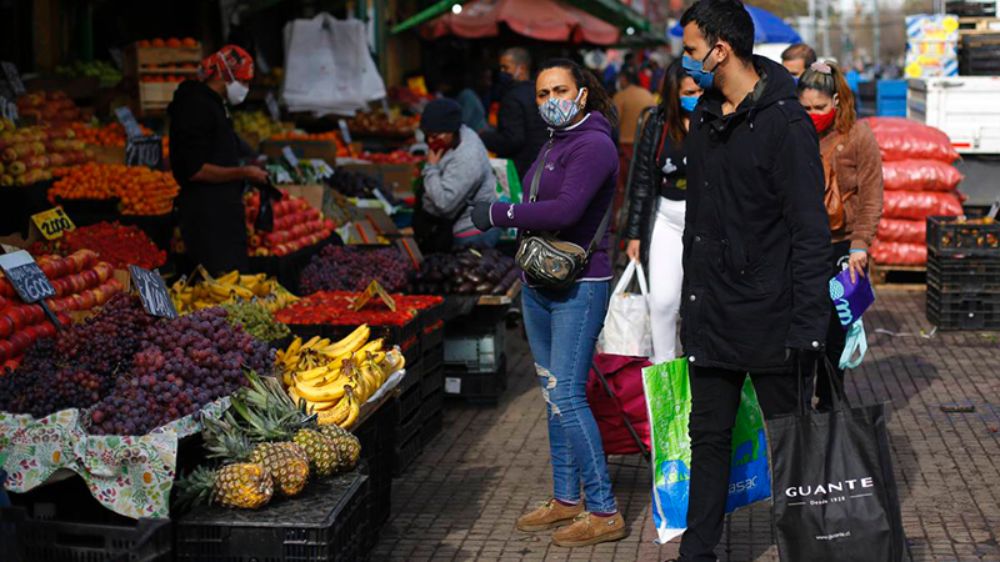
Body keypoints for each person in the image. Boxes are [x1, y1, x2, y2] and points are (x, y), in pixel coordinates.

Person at [667, 2, 831, 561]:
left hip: (773, 319)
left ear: (721, 49)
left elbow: (811, 233)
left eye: (691, 50)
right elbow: (699, 223)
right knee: (706, 439)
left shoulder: (786, 125)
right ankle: (698, 551)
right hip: (713, 313)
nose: (685, 62)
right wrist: (691, 304)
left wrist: (809, 326)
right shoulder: (706, 118)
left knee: (792, 448)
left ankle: (810, 546)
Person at [470, 58, 626, 548]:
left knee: (568, 395)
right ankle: (565, 498)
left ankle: (604, 510)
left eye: (560, 89)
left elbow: (566, 210)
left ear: (582, 93)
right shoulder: (554, 143)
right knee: (551, 392)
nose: (550, 99)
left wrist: (497, 212)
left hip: (581, 284)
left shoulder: (595, 144)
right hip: (540, 281)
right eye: (541, 93)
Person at [797, 61, 883, 411]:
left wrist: (860, 244)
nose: (813, 114)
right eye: (805, 108)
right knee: (803, 327)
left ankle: (830, 402)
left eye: (820, 107)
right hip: (801, 244)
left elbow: (872, 194)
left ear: (836, 100)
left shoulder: (858, 135)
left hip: (842, 246)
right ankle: (799, 406)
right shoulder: (793, 131)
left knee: (835, 330)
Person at [624, 59, 703, 364]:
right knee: (662, 302)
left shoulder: (716, 119)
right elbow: (643, 181)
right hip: (665, 219)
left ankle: (702, 372)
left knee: (700, 304)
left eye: (697, 92)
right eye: (686, 93)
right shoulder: (657, 124)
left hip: (706, 220)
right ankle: (665, 372)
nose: (693, 99)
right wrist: (634, 234)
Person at [168, 45, 269, 274]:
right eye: (243, 82)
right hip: (206, 217)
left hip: (221, 212)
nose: (245, 88)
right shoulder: (195, 107)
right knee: (218, 281)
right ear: (225, 75)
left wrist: (251, 159)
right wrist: (244, 172)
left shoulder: (213, 104)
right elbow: (194, 169)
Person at [418, 99, 499, 249]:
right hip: (456, 226)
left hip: (470, 234)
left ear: (452, 131)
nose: (430, 141)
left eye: (435, 136)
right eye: (427, 135)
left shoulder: (467, 157)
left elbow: (445, 204)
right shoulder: (456, 137)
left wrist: (431, 168)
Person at [480, 48, 549, 182]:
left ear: (522, 69)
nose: (502, 73)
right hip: (542, 166)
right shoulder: (541, 93)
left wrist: (485, 137)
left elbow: (512, 139)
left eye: (506, 68)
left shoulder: (511, 98)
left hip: (519, 171)